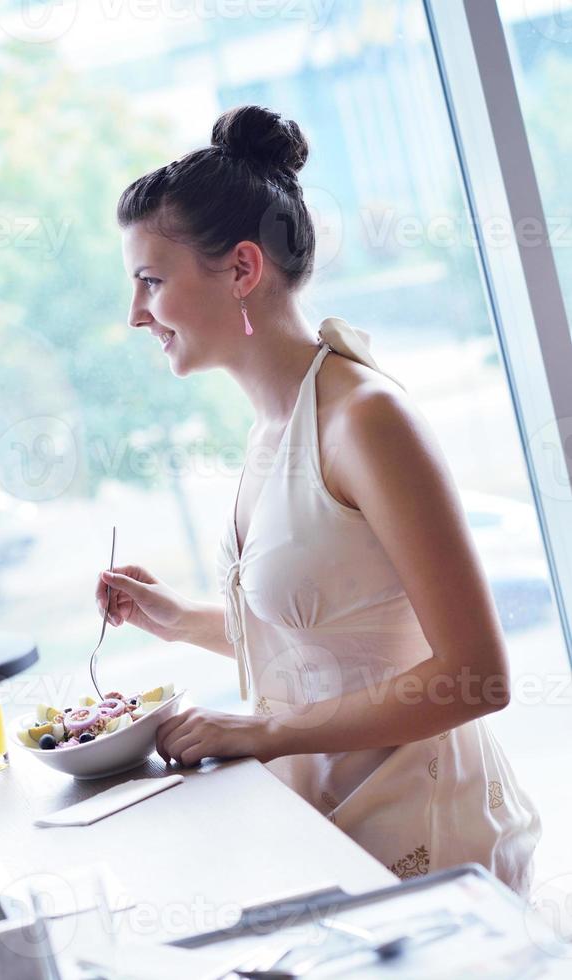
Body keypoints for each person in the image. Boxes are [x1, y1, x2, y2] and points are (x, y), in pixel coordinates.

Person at [96, 105, 540, 894]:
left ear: (240, 270)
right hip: (330, 829)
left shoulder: (365, 420)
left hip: (430, 844)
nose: (135, 313)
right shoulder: (275, 422)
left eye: (150, 281)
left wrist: (260, 730)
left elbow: (476, 674)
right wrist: (179, 620)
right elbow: (330, 652)